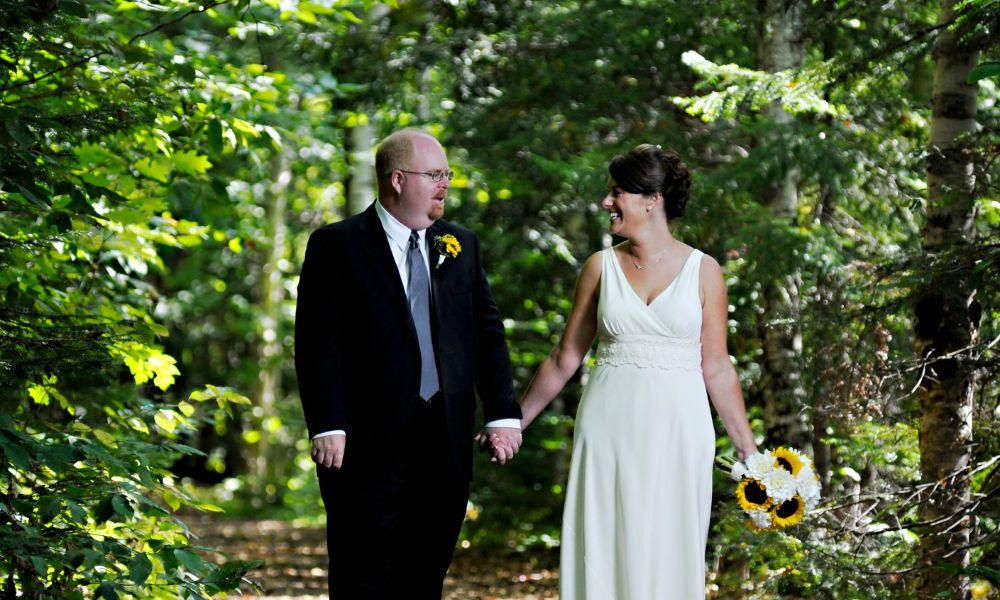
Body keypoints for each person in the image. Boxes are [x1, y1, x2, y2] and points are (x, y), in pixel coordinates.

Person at [511, 144, 758, 598]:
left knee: (669, 545)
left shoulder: (705, 271)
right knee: (603, 544)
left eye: (616, 192)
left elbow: (718, 366)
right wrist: (513, 423)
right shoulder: (598, 267)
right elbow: (565, 357)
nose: (607, 202)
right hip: (607, 428)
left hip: (679, 432)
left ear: (653, 198)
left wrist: (749, 452)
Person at [294, 128, 523, 599]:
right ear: (397, 179)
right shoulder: (336, 245)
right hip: (363, 442)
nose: (445, 184)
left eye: (447, 174)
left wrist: (503, 414)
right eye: (435, 174)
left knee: (425, 573)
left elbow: (486, 333)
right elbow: (317, 343)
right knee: (364, 573)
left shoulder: (460, 244)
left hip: (445, 438)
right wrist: (327, 423)